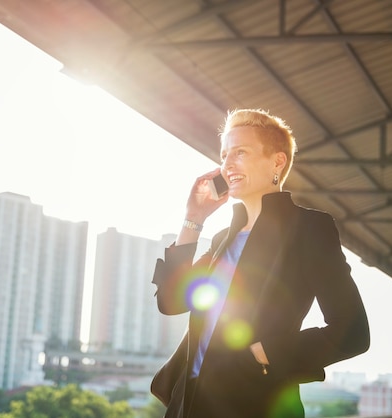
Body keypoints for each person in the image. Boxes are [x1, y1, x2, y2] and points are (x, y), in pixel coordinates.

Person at [151, 108, 370, 418]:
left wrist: (264, 353)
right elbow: (170, 302)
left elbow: (353, 332)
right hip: (188, 405)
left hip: (255, 404)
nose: (228, 164)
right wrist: (194, 218)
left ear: (277, 162)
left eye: (240, 152)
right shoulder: (220, 241)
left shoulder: (308, 228)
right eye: (225, 155)